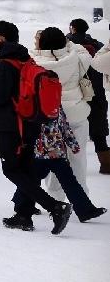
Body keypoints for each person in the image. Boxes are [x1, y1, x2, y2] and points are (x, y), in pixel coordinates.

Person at [0, 21, 72, 234]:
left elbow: (1, 97)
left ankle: (55, 207)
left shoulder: (6, 63)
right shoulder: (26, 58)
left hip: (12, 125)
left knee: (10, 169)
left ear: (0, 38)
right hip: (31, 121)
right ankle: (23, 215)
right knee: (27, 169)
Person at [31, 27, 95, 201]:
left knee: (54, 158)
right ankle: (82, 197)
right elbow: (84, 51)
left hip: (50, 118)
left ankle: (56, 198)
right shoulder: (76, 58)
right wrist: (68, 43)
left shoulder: (35, 62)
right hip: (76, 115)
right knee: (78, 158)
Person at [17, 106, 106, 223]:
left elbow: (63, 125)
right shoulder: (37, 103)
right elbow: (60, 126)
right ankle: (20, 205)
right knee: (32, 181)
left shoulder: (53, 104)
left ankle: (86, 210)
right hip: (43, 153)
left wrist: (72, 144)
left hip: (53, 152)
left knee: (67, 181)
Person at [68, 18, 109, 175]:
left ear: (73, 28)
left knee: (73, 131)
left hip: (77, 94)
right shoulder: (97, 44)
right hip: (97, 93)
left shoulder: (68, 46)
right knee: (98, 132)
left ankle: (72, 165)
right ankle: (106, 164)